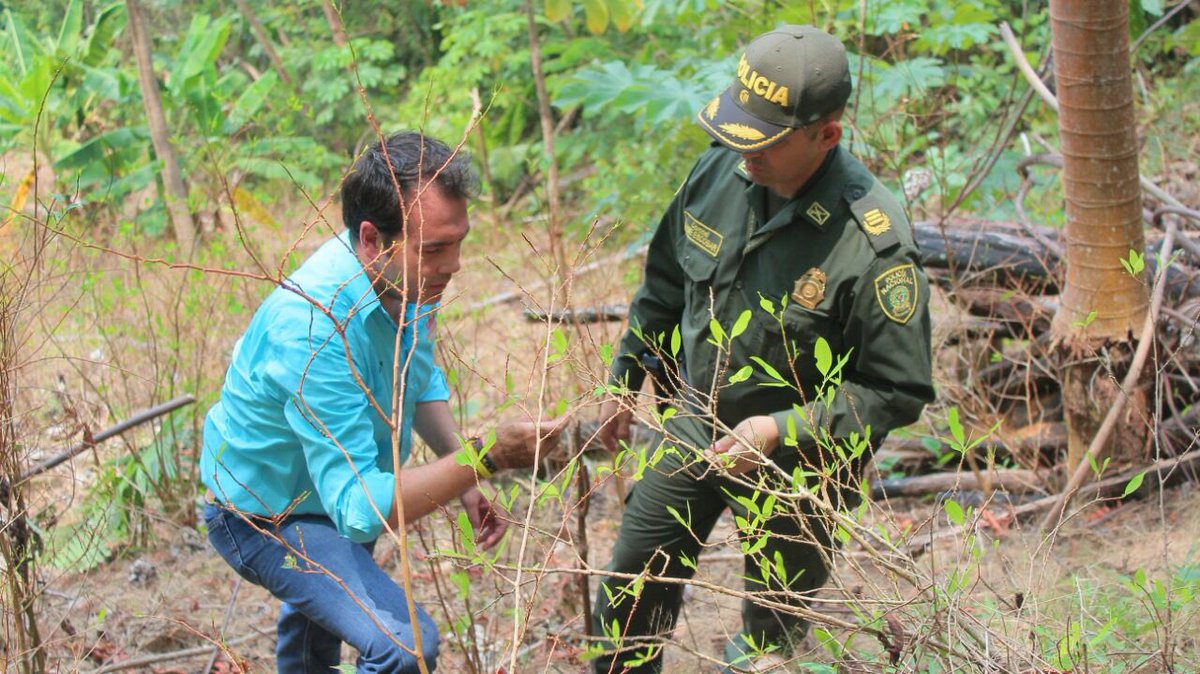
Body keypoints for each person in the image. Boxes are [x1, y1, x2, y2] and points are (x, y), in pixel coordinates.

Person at [592, 25, 935, 673]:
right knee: (628, 596)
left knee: (766, 645)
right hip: (701, 418)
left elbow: (898, 391)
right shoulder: (720, 168)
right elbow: (664, 282)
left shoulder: (874, 245)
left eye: (765, 140)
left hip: (803, 463)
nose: (742, 149)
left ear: (825, 134)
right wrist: (625, 377)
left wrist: (781, 430)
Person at [200, 131, 565, 673]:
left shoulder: (409, 282)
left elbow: (416, 382)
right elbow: (359, 508)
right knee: (402, 647)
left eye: (459, 242)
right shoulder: (312, 325)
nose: (454, 266)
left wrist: (464, 474)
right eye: (436, 249)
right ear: (372, 239)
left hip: (334, 489)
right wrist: (483, 457)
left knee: (315, 641)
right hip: (265, 513)